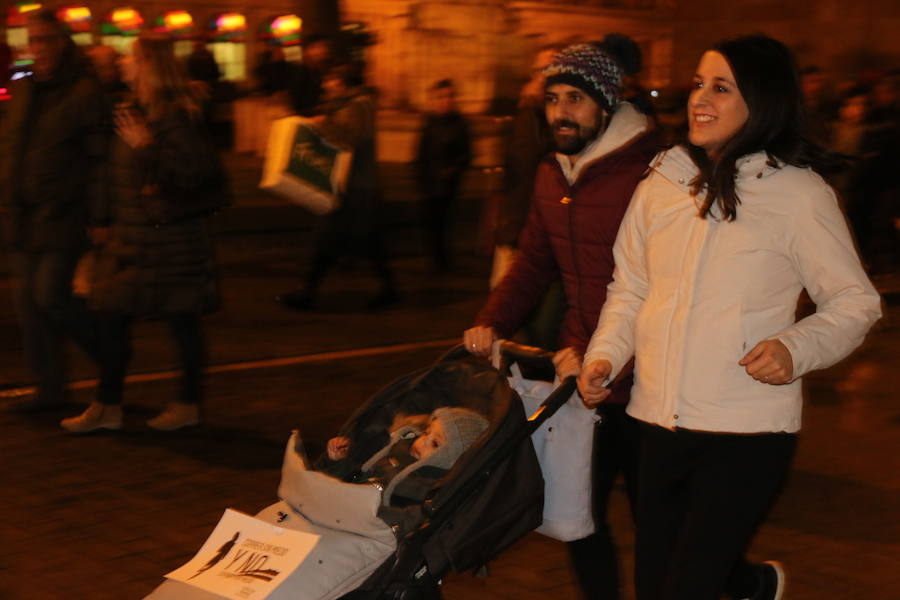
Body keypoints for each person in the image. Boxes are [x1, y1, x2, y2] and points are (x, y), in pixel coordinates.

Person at [578, 35, 882, 600]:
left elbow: (854, 301)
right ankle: (750, 583)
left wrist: (796, 347)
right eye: (697, 84)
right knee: (658, 581)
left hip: (746, 433)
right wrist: (607, 354)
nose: (700, 98)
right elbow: (631, 286)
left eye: (721, 87)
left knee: (685, 586)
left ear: (761, 101)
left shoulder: (797, 193)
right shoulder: (662, 181)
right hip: (655, 423)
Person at [464, 43, 661, 600]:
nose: (559, 113)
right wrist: (491, 322)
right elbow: (533, 263)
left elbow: (668, 286)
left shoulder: (652, 172)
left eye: (575, 98)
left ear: (604, 103)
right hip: (580, 371)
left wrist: (613, 357)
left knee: (660, 522)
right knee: (578, 513)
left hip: (650, 377)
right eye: (552, 99)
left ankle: (740, 579)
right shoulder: (552, 175)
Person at [61, 33, 226, 433]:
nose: (123, 62)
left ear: (150, 66)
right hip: (133, 240)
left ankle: (186, 404)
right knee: (110, 314)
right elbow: (114, 174)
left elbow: (193, 175)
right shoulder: (131, 108)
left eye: (131, 57)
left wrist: (146, 147)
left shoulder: (177, 115)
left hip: (172, 243)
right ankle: (108, 404)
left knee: (181, 322)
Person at [0, 9, 106, 412]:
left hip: (63, 212)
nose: (38, 48)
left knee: (51, 298)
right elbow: (12, 146)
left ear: (62, 42)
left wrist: (99, 216)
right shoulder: (25, 87)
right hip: (22, 214)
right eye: (33, 39)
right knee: (28, 308)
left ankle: (110, 356)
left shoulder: (82, 90)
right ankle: (49, 390)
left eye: (45, 39)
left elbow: (98, 159)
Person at [278, 63, 397, 310]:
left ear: (343, 82)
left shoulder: (359, 106)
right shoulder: (350, 105)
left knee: (334, 238)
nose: (325, 84)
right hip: (351, 185)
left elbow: (348, 138)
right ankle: (386, 288)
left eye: (330, 79)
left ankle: (308, 291)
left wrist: (323, 124)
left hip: (358, 187)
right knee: (359, 241)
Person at [323, 406, 489, 507]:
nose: (422, 441)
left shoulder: (426, 489)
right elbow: (355, 479)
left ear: (453, 460)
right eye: (426, 433)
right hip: (343, 504)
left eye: (435, 444)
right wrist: (338, 462)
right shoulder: (398, 451)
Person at [415, 79, 472, 273]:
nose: (445, 101)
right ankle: (436, 259)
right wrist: (420, 177)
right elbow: (421, 152)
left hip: (449, 183)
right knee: (432, 223)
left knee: (445, 222)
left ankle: (442, 260)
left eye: (449, 96)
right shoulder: (429, 123)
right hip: (430, 182)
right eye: (440, 97)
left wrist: (453, 170)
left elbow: (466, 154)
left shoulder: (460, 124)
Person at [286, 34, 331, 116]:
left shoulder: (320, 70)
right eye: (315, 47)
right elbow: (296, 104)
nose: (321, 51)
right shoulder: (299, 72)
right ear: (306, 51)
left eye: (323, 46)